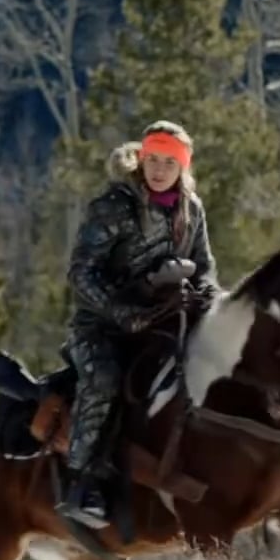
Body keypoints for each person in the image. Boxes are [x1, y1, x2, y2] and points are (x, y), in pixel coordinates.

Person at [60, 121, 223, 529]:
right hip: (103, 325)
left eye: (170, 162)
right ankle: (83, 480)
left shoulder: (192, 209)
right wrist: (121, 312)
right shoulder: (114, 206)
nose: (160, 170)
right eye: (154, 160)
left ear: (183, 167)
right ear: (142, 159)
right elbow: (81, 272)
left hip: (168, 319)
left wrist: (204, 296)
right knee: (104, 379)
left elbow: (205, 268)